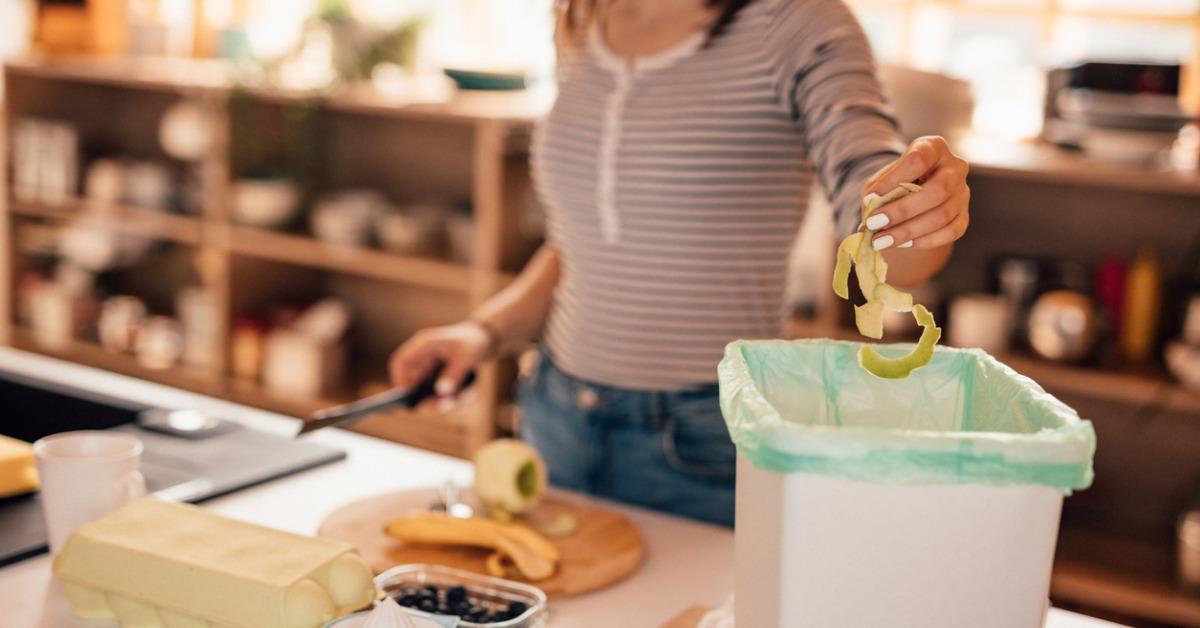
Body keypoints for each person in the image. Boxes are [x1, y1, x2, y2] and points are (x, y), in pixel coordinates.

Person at [389, 0, 970, 527]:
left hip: (703, 441)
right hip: (555, 416)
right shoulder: (584, 17)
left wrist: (918, 208)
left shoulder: (798, 21)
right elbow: (581, 247)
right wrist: (482, 330)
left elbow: (879, 219)